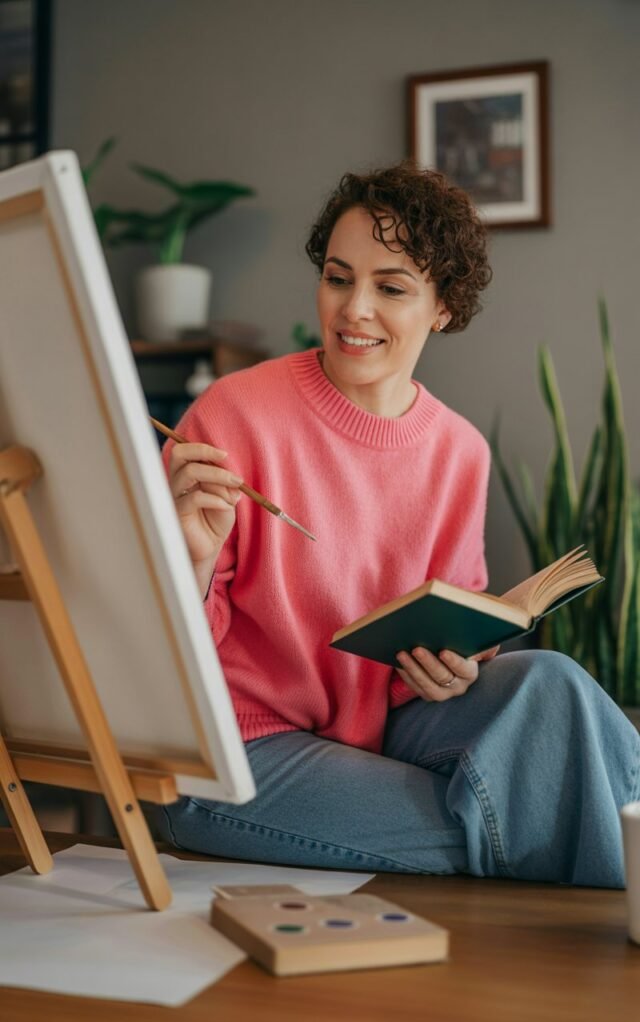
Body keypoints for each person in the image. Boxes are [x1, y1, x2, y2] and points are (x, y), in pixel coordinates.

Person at [157, 162, 639, 887]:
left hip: (386, 734)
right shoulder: (232, 413)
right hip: (235, 752)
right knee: (535, 806)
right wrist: (189, 558)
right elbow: (151, 662)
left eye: (390, 287)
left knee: (555, 683)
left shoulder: (460, 452)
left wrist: (451, 671)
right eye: (338, 277)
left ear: (442, 308)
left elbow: (452, 641)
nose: (354, 309)